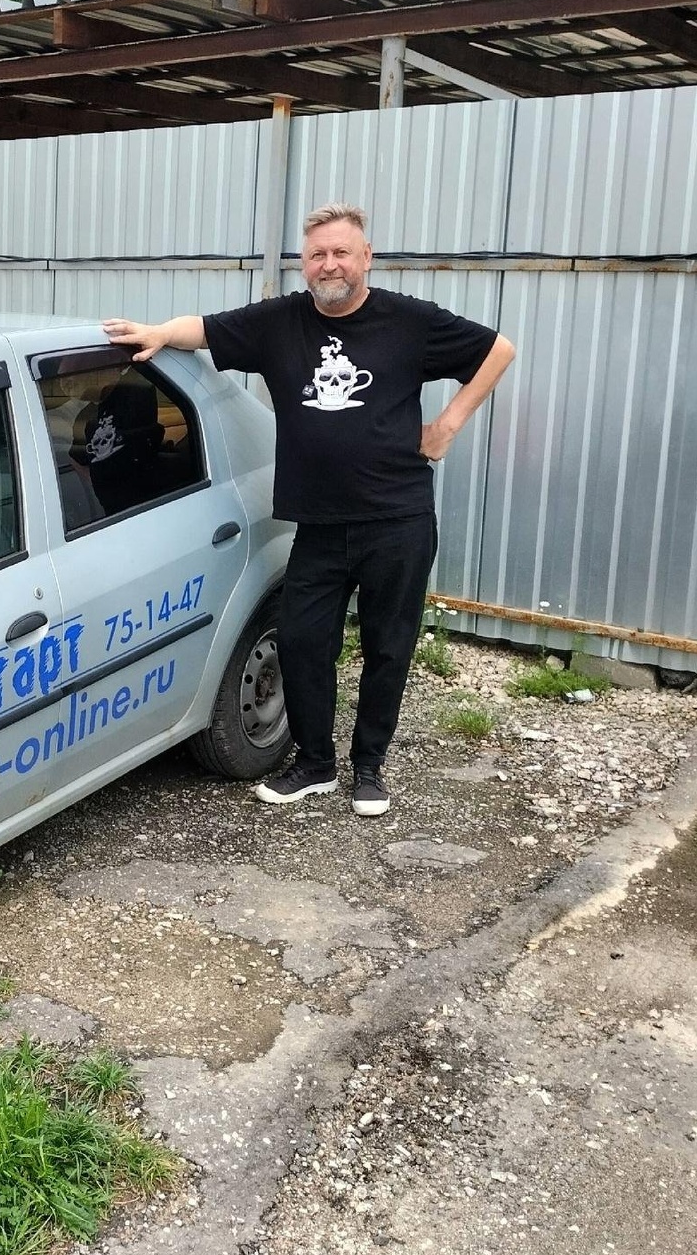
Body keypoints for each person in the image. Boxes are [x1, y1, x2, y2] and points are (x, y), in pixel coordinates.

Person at [102, 201, 515, 817]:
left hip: (396, 519)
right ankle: (317, 763)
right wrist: (159, 333)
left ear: (366, 258)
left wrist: (448, 425)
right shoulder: (280, 322)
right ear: (305, 264)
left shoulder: (409, 321)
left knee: (388, 647)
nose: (330, 264)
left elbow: (498, 350)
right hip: (317, 523)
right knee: (301, 642)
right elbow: (205, 329)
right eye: (318, 255)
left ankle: (369, 767)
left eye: (341, 252)